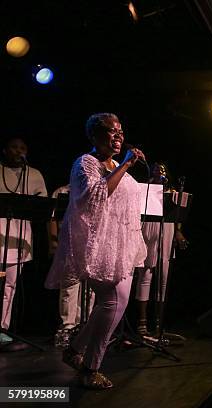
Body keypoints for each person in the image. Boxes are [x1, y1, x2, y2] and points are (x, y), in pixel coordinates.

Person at [45, 113, 147, 389]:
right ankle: (90, 367)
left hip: (120, 246)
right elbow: (95, 198)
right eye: (110, 132)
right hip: (98, 246)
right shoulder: (86, 163)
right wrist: (126, 164)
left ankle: (75, 350)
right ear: (94, 136)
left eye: (121, 132)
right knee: (114, 303)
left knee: (110, 305)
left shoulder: (116, 165)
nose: (118, 136)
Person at [0, 137, 47, 345]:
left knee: (9, 286)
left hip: (18, 241)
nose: (18, 151)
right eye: (13, 147)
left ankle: (2, 329)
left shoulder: (34, 174)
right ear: (4, 150)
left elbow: (43, 205)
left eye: (22, 148)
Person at [134, 162, 188, 336]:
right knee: (146, 275)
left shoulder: (172, 193)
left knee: (164, 275)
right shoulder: (145, 190)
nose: (160, 171)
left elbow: (179, 216)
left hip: (167, 230)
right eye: (156, 168)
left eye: (163, 169)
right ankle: (141, 322)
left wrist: (179, 233)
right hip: (148, 229)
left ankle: (158, 322)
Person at [47, 183, 95, 348]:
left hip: (91, 245)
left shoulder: (98, 188)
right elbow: (52, 217)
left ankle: (86, 326)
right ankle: (68, 327)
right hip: (69, 242)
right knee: (69, 285)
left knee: (90, 288)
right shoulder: (61, 192)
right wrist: (53, 243)